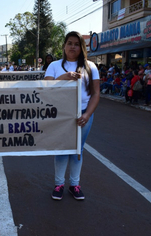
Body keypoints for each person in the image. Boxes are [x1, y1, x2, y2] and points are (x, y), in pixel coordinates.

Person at [44, 31, 100, 201]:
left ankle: (74, 184)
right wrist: (64, 77)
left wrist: (88, 114)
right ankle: (59, 184)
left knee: (78, 149)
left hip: (83, 113)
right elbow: (45, 86)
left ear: (82, 47)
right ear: (64, 46)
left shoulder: (91, 67)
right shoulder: (54, 65)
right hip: (61, 113)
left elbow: (96, 93)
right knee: (62, 147)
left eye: (77, 44)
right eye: (70, 43)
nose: (73, 47)